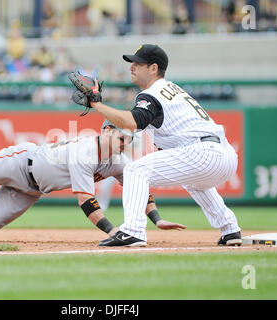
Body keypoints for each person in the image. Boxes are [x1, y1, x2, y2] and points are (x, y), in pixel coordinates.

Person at [0, 121, 185, 243]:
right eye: (120, 136)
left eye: (128, 140)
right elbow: (87, 203)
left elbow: (138, 186)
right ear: (106, 130)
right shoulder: (85, 152)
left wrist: (156, 219)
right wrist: (114, 230)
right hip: (19, 161)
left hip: (32, 189)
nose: (123, 143)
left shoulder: (118, 160)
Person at [82, 44, 241, 247]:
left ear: (153, 68)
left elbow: (131, 121)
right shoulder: (171, 89)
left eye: (138, 63)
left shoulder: (152, 93)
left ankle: (133, 231)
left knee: (134, 170)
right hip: (224, 155)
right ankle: (230, 229)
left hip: (203, 152)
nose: (132, 67)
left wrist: (96, 104)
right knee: (194, 182)